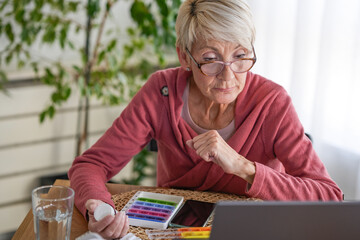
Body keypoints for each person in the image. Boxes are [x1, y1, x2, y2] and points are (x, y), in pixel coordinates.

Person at [68, 0, 343, 238]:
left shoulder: (272, 103)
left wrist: (242, 166)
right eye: (210, 59)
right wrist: (100, 208)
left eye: (240, 56)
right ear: (184, 56)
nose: (228, 76)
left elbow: (329, 198)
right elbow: (91, 164)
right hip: (174, 232)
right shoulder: (161, 93)